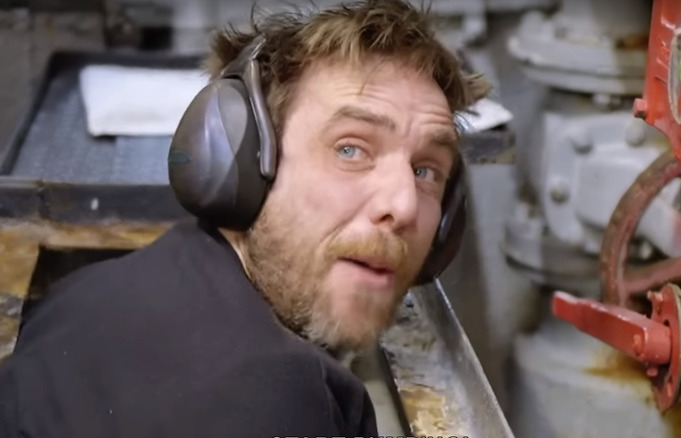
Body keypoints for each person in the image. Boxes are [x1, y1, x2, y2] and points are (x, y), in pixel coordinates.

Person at [0, 0, 490, 436]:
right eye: (351, 149)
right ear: (238, 162)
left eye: (426, 170)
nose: (404, 206)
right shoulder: (275, 397)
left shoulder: (83, 294)